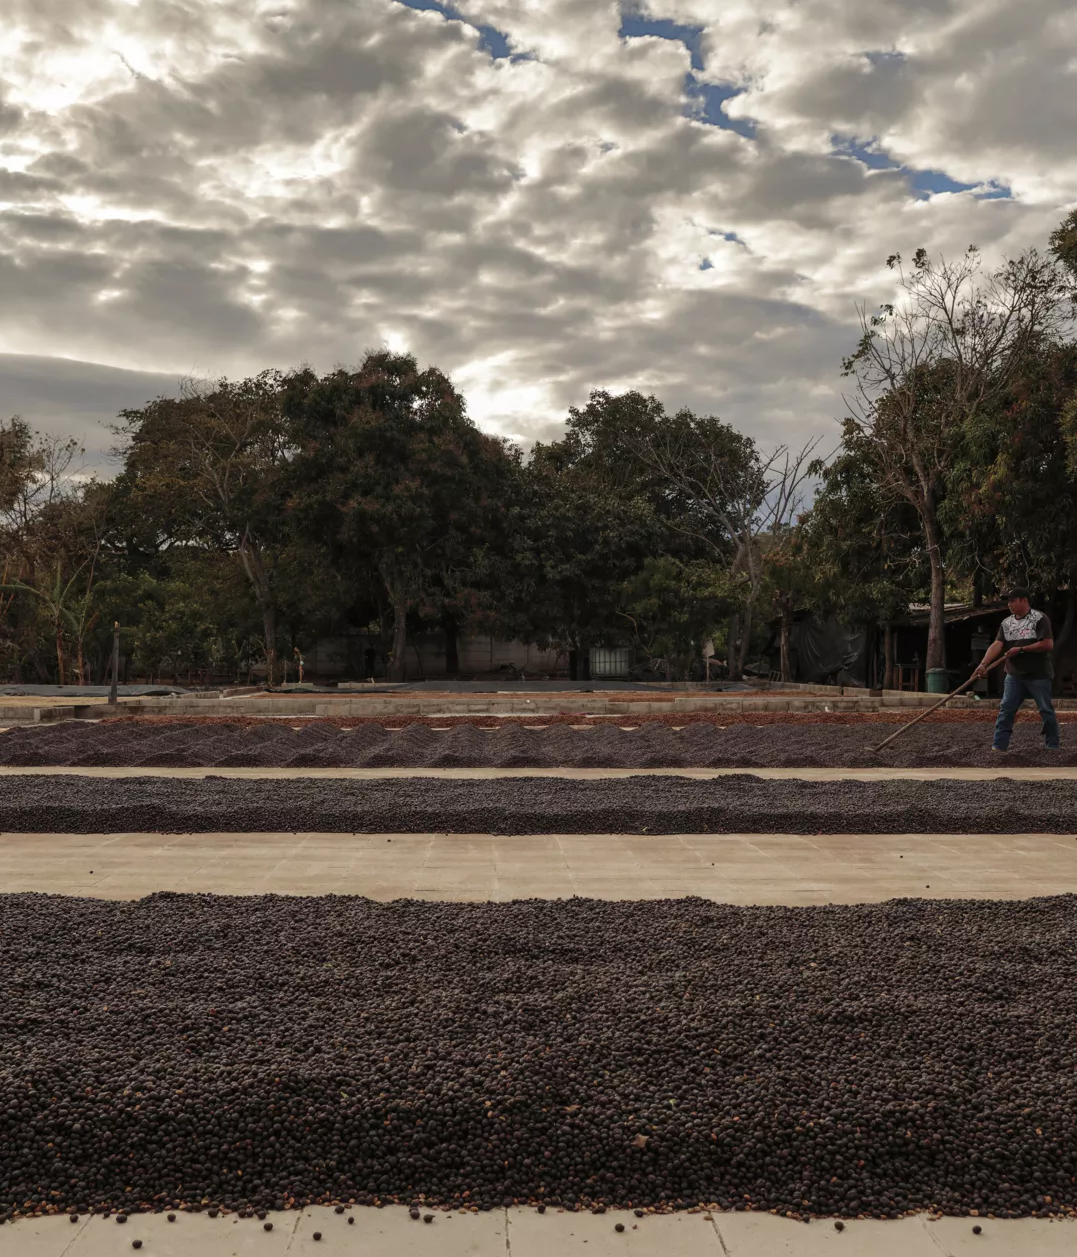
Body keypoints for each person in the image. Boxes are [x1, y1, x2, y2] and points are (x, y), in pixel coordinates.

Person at [971, 587, 1059, 751]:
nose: (1009, 604)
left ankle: (1052, 746)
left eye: (1013, 600)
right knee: (1006, 709)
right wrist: (983, 664)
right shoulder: (1007, 623)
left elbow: (1048, 644)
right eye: (1008, 601)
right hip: (1014, 674)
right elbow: (997, 644)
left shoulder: (1039, 618)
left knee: (1046, 711)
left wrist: (1022, 649)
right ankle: (999, 746)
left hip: (1038, 674)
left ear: (1024, 600)